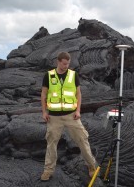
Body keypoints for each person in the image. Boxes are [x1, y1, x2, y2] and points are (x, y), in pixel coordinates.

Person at [40, 51, 96, 181]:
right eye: (64, 64)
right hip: (54, 117)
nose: (66, 66)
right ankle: (48, 171)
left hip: (72, 116)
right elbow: (43, 94)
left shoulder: (73, 75)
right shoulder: (48, 75)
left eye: (68, 64)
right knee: (51, 144)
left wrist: (78, 111)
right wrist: (44, 112)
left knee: (83, 140)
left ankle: (92, 166)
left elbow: (78, 94)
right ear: (58, 62)